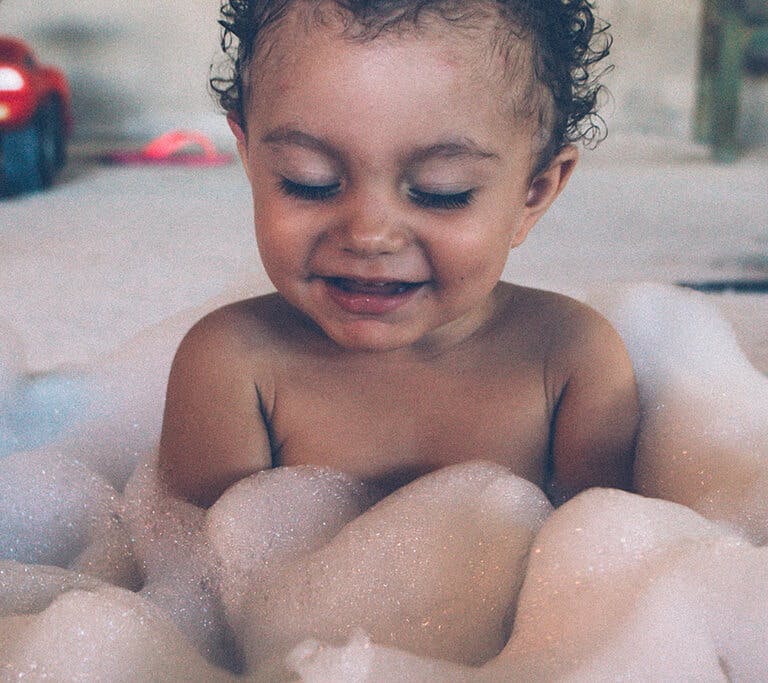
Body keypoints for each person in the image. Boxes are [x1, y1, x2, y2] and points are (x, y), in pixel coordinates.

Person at [159, 0, 639, 508]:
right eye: (309, 181)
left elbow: (609, 569)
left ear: (533, 193)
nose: (369, 235)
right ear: (251, 158)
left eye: (441, 192)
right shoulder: (230, 364)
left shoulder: (572, 358)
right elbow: (192, 575)